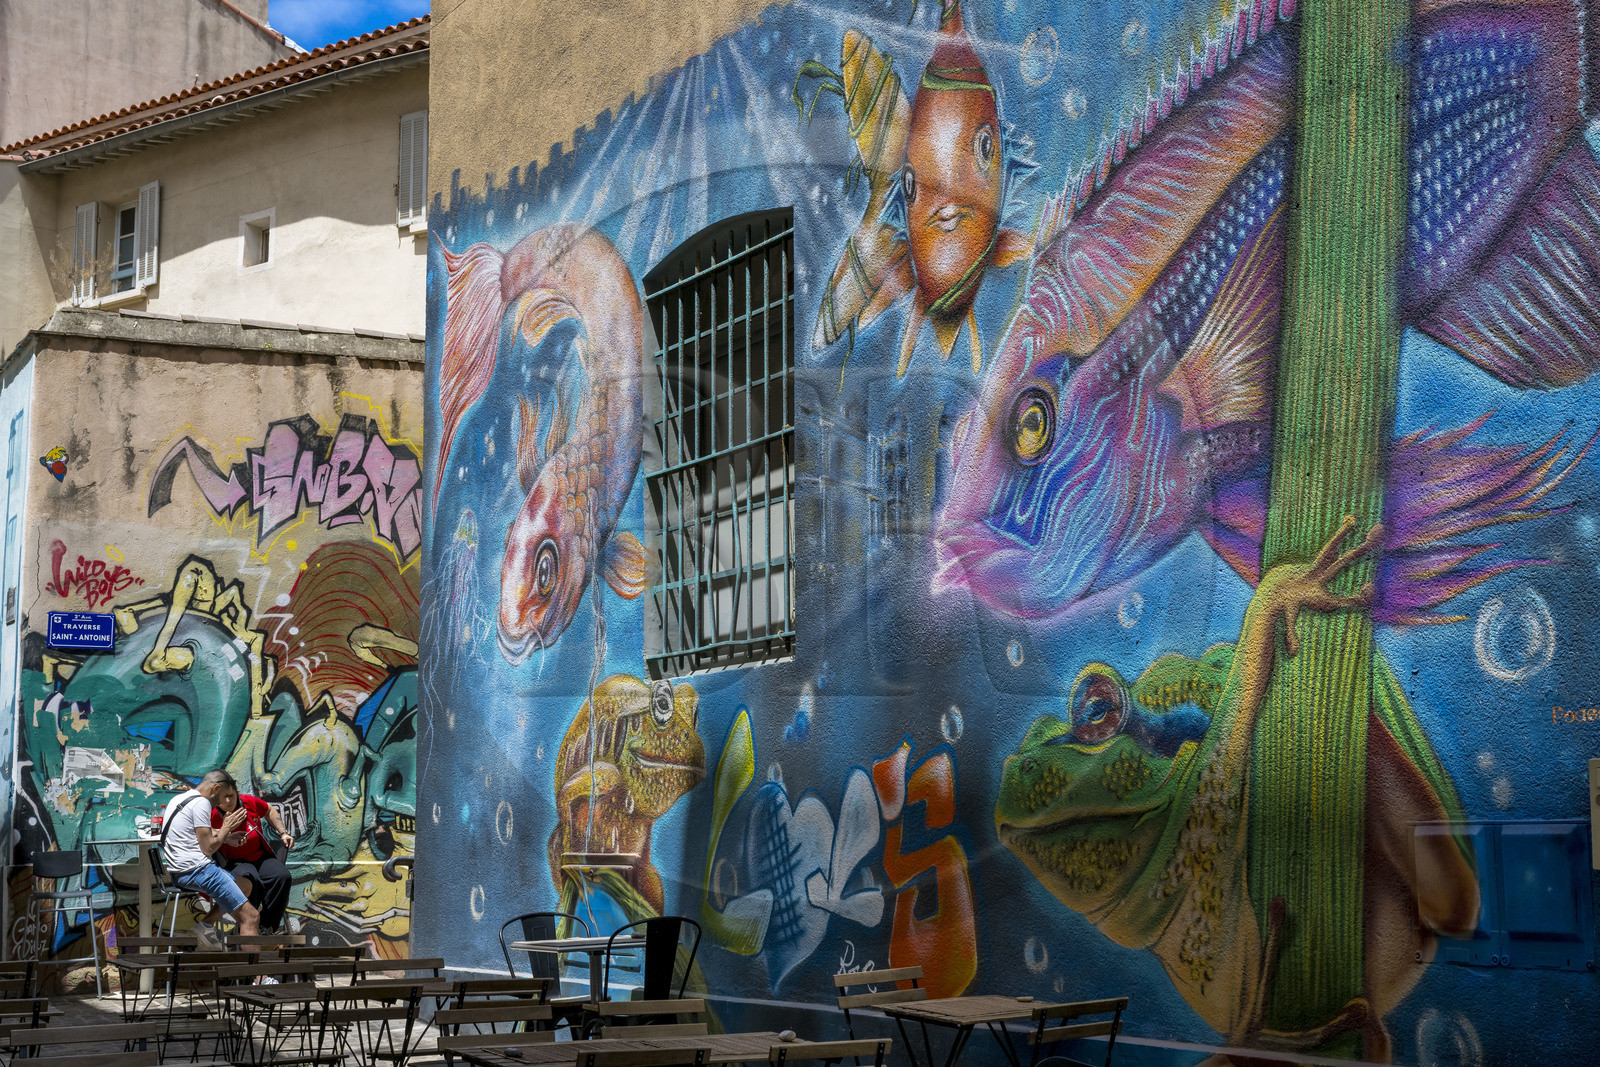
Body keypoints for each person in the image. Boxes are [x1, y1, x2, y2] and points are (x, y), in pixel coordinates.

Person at [158, 769, 259, 949]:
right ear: (216, 788)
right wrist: (226, 828)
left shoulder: (179, 799)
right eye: (224, 795)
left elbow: (195, 833)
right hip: (198, 871)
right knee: (250, 917)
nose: (224, 802)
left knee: (245, 885)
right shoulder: (201, 803)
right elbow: (208, 848)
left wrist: (226, 838)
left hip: (179, 872)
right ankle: (259, 977)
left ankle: (205, 925)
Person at [209, 784, 295, 934]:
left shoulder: (249, 802)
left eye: (232, 795)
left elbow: (269, 809)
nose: (229, 801)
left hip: (260, 856)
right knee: (250, 879)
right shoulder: (213, 814)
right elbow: (204, 833)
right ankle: (247, 926)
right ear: (217, 800)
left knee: (282, 877)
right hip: (233, 861)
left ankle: (266, 927)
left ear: (237, 793)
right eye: (224, 798)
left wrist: (283, 832)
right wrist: (226, 836)